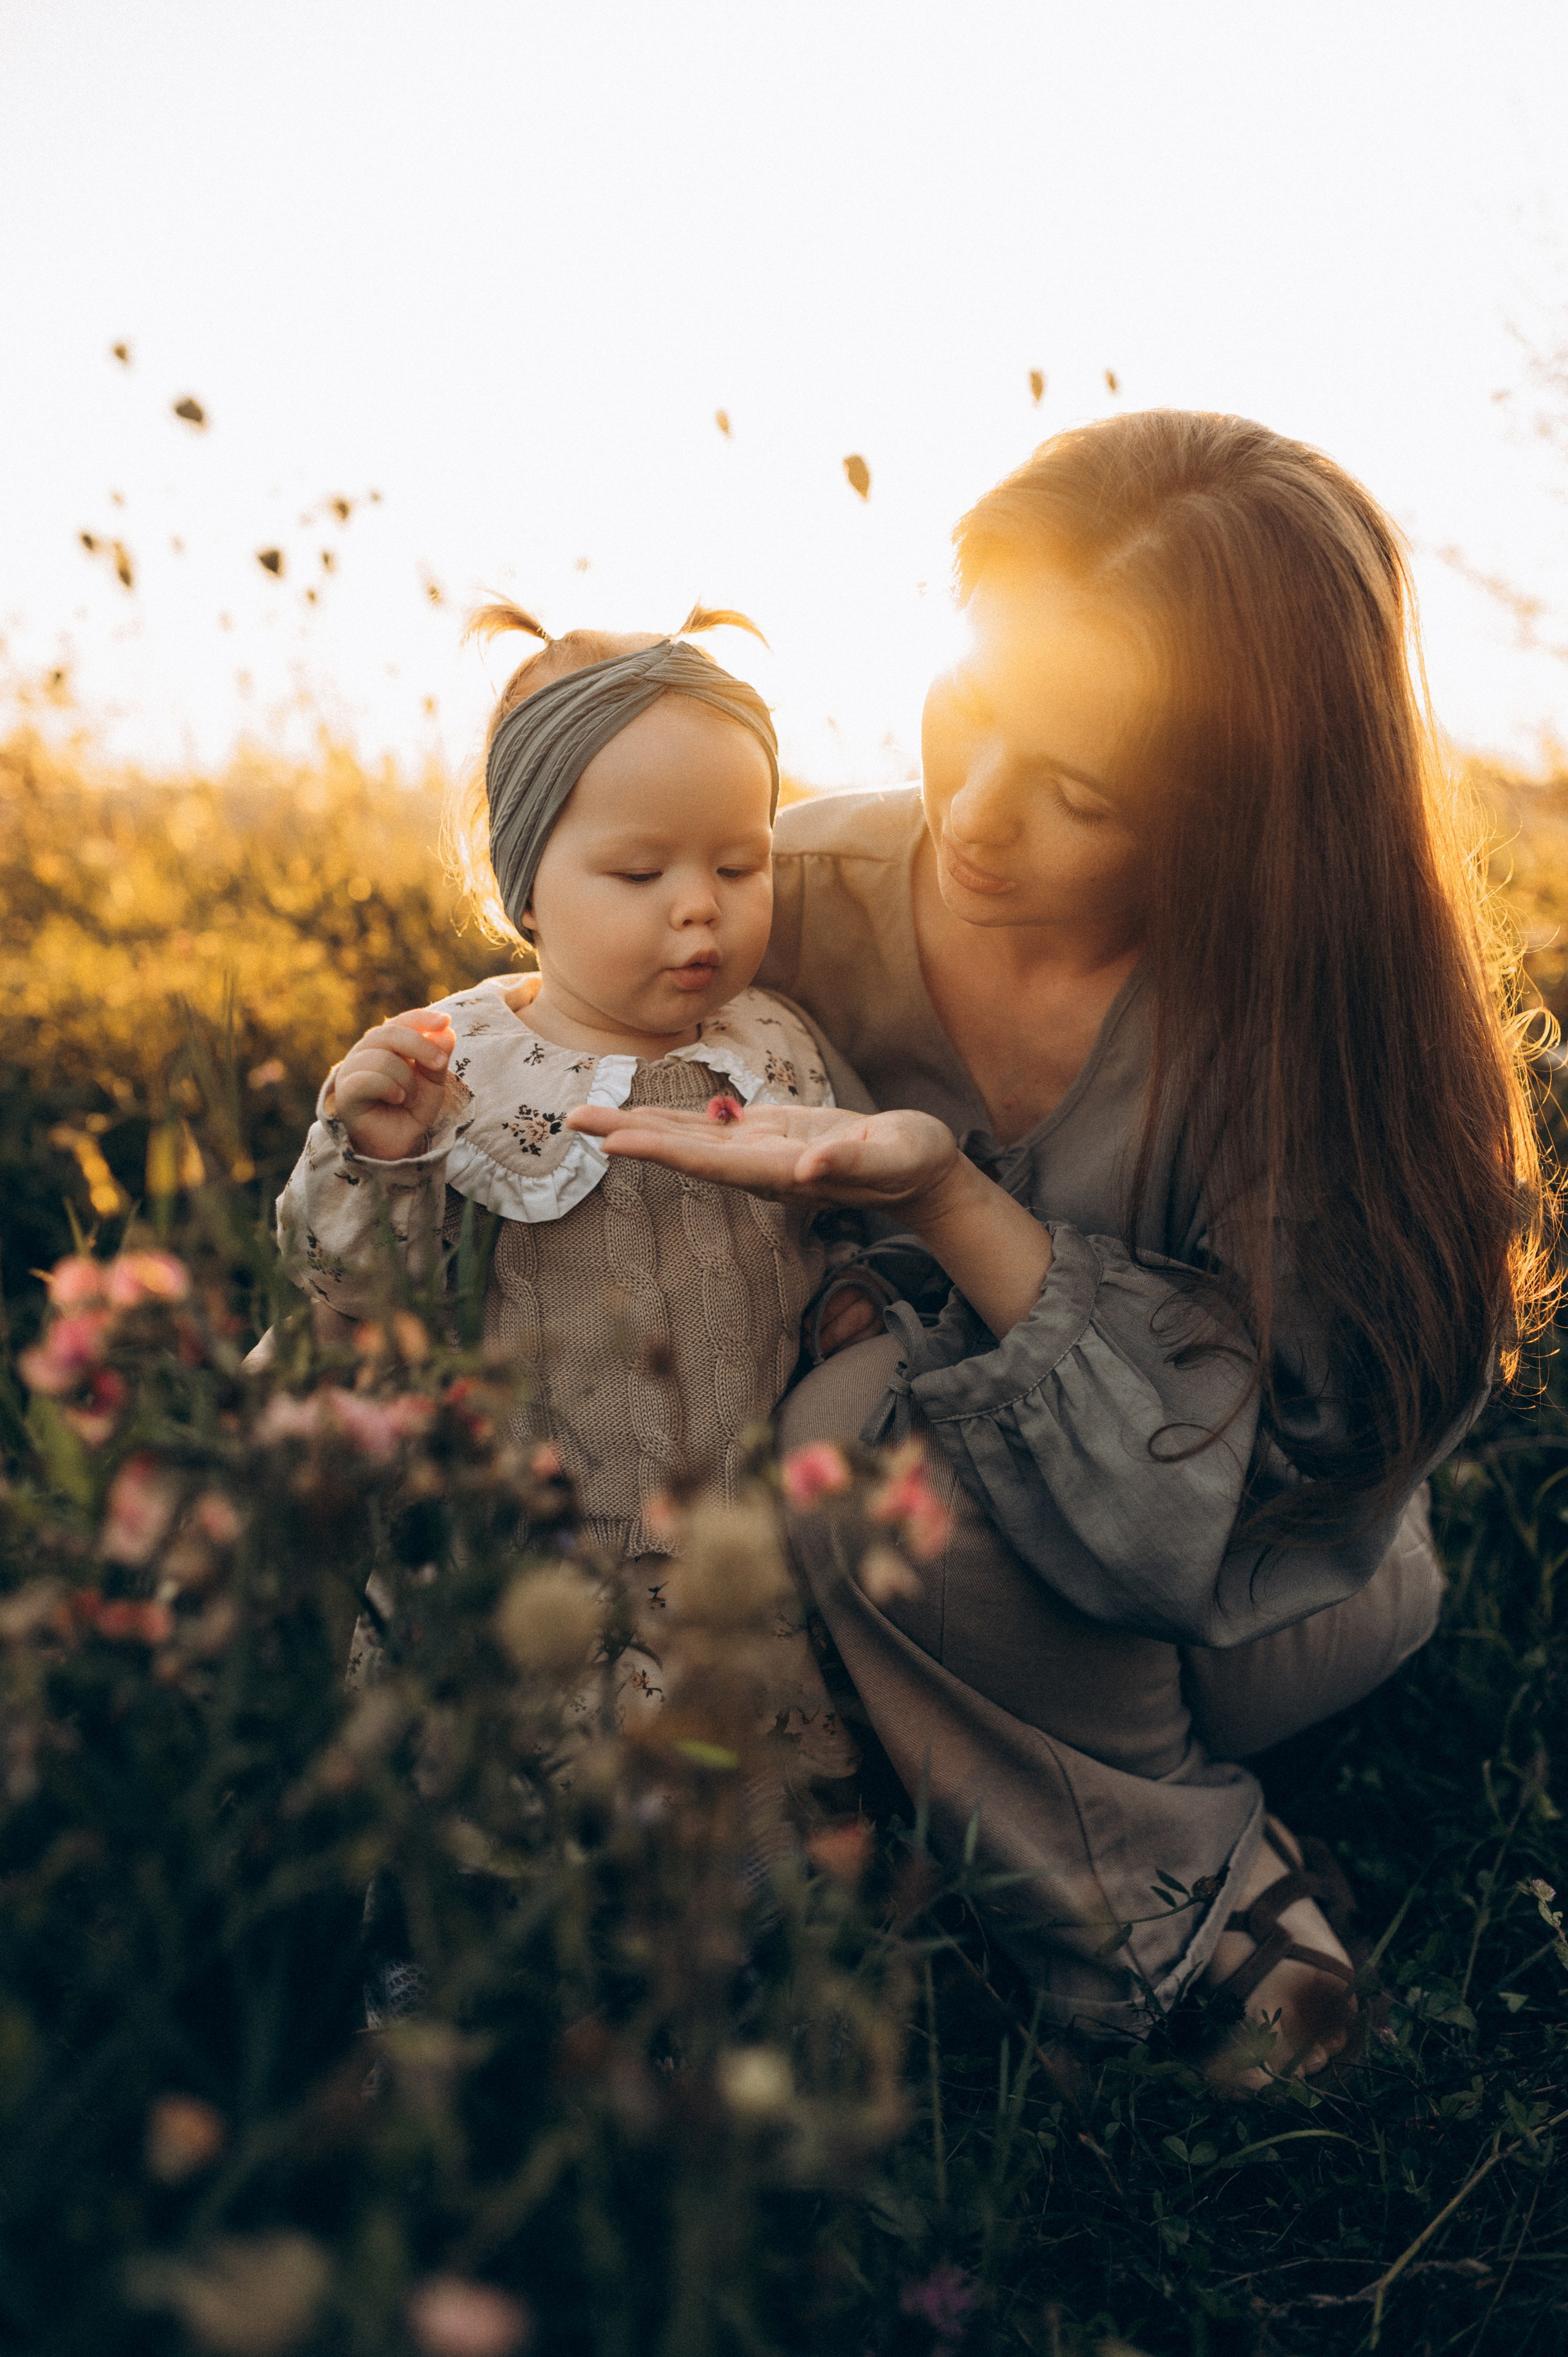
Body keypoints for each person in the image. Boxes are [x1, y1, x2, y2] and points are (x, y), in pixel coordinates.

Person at [566, 412, 1554, 2084]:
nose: (980, 810)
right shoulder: (785, 899)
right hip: (882, 1591)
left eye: (1083, 791)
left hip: (1265, 1590)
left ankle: (1194, 1902)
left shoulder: (1312, 1036)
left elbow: (1303, 1475)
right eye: (975, 708)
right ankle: (932, 1789)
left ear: (1239, 819)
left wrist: (955, 1209)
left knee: (874, 1442)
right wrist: (412, 1090)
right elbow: (552, 1048)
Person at [274, 603, 867, 1775]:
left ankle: (730, 1938)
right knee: (512, 1813)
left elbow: (836, 1207)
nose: (697, 903)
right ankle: (442, 1953)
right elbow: (351, 1290)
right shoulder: (458, 1062)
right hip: (522, 1556)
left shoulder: (776, 1044)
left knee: (729, 1817)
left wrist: (849, 1296)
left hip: (729, 1548)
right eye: (640, 870)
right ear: (526, 887)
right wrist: (377, 1152)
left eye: (738, 864)